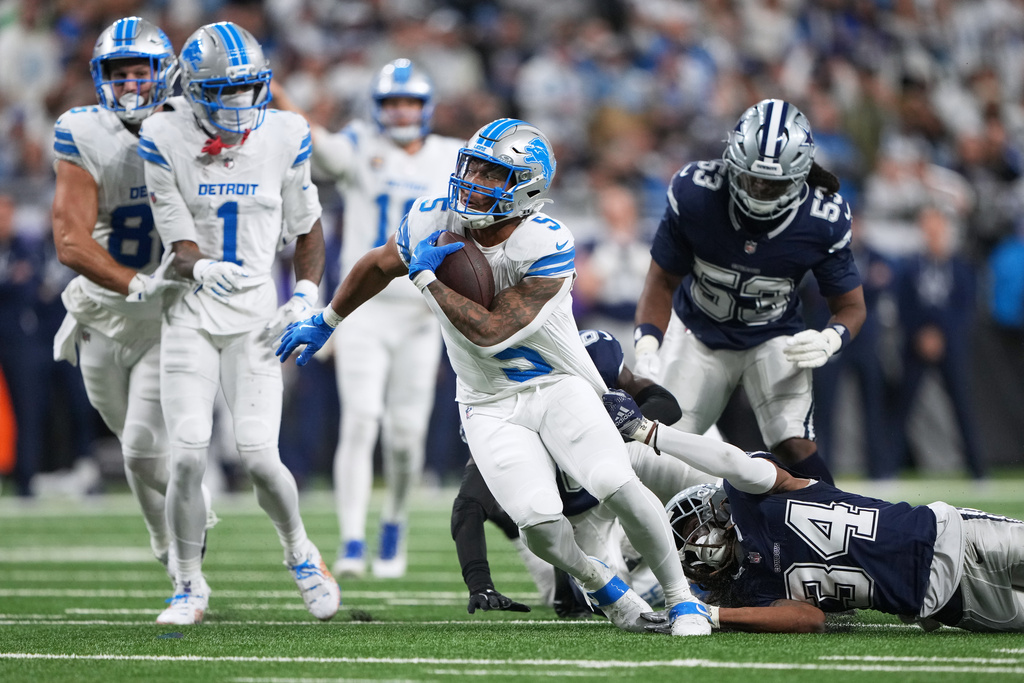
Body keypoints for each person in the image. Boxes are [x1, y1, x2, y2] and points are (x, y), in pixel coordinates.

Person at [278, 118, 712, 636]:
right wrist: (327, 321)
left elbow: (490, 331)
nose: (473, 180)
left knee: (617, 483)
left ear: (525, 187)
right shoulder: (433, 217)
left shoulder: (546, 241)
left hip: (556, 384)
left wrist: (426, 277)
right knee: (541, 529)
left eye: (491, 173)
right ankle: (610, 592)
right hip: (486, 402)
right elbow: (377, 263)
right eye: (473, 166)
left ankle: (683, 599)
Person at [139, 21, 338, 625]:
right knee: (188, 454)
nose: (238, 103)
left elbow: (307, 229)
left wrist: (305, 294)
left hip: (255, 316)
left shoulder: (285, 132)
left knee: (257, 453)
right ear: (193, 90)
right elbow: (177, 236)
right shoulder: (162, 133)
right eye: (222, 91)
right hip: (190, 313)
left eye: (247, 88)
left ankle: (300, 551)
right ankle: (188, 583)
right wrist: (197, 268)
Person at [602, 388, 1024, 634]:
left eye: (695, 526)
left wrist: (647, 432)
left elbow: (734, 464)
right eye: (690, 537)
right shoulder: (747, 589)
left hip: (954, 534)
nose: (699, 540)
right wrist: (710, 613)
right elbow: (809, 618)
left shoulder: (753, 495)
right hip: (947, 602)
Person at [273, 59, 465, 579]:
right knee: (360, 420)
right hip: (365, 308)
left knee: (405, 435)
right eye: (392, 103)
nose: (401, 112)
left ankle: (394, 522)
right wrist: (276, 88)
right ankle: (353, 540)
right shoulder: (360, 146)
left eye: (409, 102)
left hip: (425, 313)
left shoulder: (452, 157)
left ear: (425, 108)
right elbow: (312, 137)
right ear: (379, 109)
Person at [632, 98, 867, 484]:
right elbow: (661, 280)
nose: (759, 191)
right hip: (699, 333)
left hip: (773, 336)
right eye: (752, 178)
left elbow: (851, 306)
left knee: (793, 443)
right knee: (662, 449)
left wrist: (831, 338)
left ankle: (836, 524)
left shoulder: (822, 218)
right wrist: (646, 344)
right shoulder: (696, 193)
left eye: (773, 184)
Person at [452, 328, 715, 616]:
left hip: (619, 459)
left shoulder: (588, 352)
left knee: (709, 482)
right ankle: (529, 538)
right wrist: (479, 582)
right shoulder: (504, 410)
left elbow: (663, 402)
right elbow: (468, 506)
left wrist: (621, 428)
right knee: (604, 598)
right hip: (581, 514)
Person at [50, 16, 184, 572]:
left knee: (139, 442)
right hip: (106, 308)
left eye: (141, 70)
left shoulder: (192, 128)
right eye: (118, 72)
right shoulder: (84, 131)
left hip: (167, 313)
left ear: (166, 73)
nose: (130, 83)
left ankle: (180, 547)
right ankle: (167, 527)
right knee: (129, 437)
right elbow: (69, 241)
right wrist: (134, 283)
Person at [890, 206, 985, 479]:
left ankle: (978, 470)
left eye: (936, 226)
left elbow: (965, 307)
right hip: (916, 343)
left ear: (945, 230)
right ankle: (888, 469)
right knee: (904, 406)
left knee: (962, 405)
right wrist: (921, 334)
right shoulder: (911, 266)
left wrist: (942, 335)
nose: (932, 233)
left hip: (950, 345)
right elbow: (903, 305)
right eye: (927, 227)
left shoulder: (961, 266)